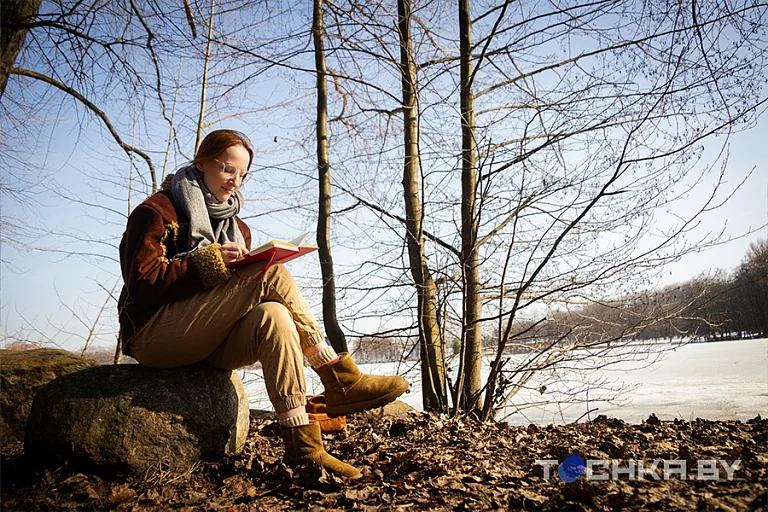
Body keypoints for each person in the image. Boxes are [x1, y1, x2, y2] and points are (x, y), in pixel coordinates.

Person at [117, 129, 409, 479]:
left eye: (243, 174)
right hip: (155, 335)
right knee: (271, 273)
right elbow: (143, 284)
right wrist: (209, 262)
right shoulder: (157, 211)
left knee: (275, 315)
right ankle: (338, 377)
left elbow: (230, 297)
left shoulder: (237, 226)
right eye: (228, 169)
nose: (235, 181)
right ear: (201, 162)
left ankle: (302, 445)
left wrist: (233, 263)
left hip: (208, 339)